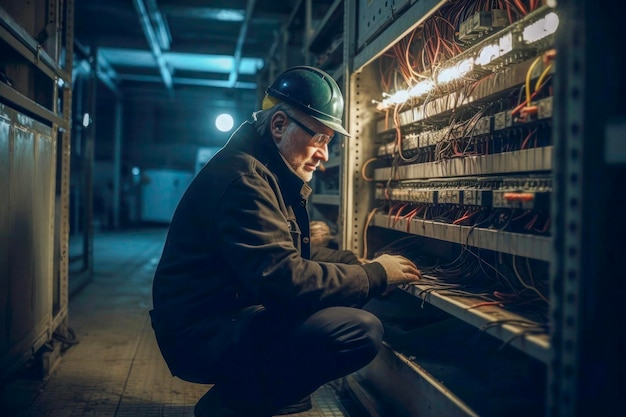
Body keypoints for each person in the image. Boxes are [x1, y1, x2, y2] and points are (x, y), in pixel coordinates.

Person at [149, 66, 422, 417]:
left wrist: (360, 267)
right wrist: (373, 276)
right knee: (357, 331)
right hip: (200, 334)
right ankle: (232, 404)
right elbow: (285, 278)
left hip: (220, 317)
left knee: (334, 309)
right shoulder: (245, 180)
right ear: (279, 126)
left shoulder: (263, 171)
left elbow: (291, 253)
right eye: (320, 138)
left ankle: (251, 394)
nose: (324, 154)